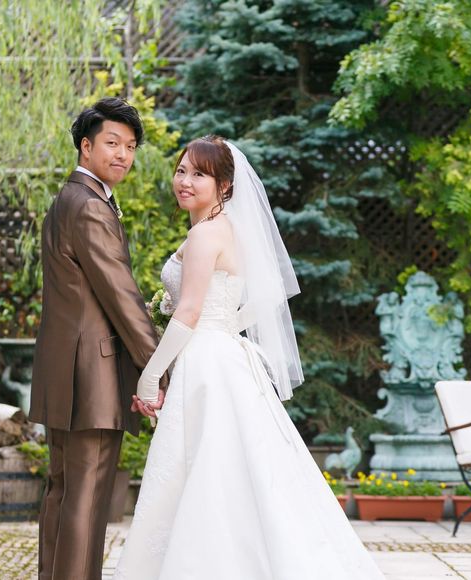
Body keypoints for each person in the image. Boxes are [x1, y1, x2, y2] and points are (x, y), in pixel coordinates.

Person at [113, 136, 385, 579]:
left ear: (224, 185)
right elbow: (266, 295)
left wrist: (150, 377)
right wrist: (224, 325)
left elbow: (189, 312)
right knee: (236, 467)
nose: (184, 181)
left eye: (198, 174)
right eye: (181, 171)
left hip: (205, 362)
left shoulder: (205, 234)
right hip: (223, 355)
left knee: (208, 467)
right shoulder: (230, 230)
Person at [29, 97, 166, 580]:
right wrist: (160, 368)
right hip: (93, 376)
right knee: (85, 499)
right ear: (86, 147)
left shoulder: (66, 200)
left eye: (130, 146)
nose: (123, 154)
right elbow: (122, 298)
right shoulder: (90, 207)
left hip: (64, 372)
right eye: (112, 143)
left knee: (64, 492)